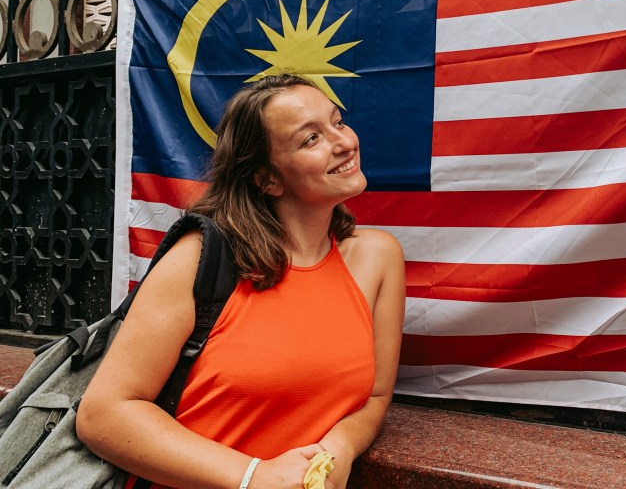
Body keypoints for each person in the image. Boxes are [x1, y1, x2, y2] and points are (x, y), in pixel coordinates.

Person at [77, 74, 406, 489]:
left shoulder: (378, 257)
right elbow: (103, 414)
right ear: (268, 179)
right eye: (311, 139)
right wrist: (253, 476)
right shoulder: (199, 258)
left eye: (337, 122)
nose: (343, 143)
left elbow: (375, 397)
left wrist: (341, 444)